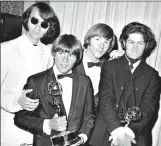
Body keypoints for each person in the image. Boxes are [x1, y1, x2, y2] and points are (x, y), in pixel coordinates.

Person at [14, 34, 96, 146]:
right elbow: (20, 118)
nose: (65, 60)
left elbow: (89, 116)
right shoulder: (36, 81)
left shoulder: (85, 82)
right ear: (54, 53)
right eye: (61, 53)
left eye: (71, 55)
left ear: (78, 58)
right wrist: (47, 124)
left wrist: (81, 138)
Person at [89, 22, 161, 146]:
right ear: (124, 43)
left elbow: (148, 109)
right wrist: (118, 132)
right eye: (131, 42)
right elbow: (106, 99)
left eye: (140, 43)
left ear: (146, 45)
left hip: (135, 136)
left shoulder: (152, 75)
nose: (135, 47)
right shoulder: (109, 66)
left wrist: (128, 134)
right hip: (105, 131)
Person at [1, 2, 60, 145]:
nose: (38, 27)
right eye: (34, 20)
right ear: (27, 19)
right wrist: (16, 101)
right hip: (9, 125)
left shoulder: (48, 55)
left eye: (44, 24)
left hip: (37, 129)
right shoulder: (5, 49)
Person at [76, 23, 117, 113]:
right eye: (97, 39)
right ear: (88, 39)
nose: (101, 46)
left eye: (106, 42)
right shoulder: (73, 60)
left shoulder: (110, 68)